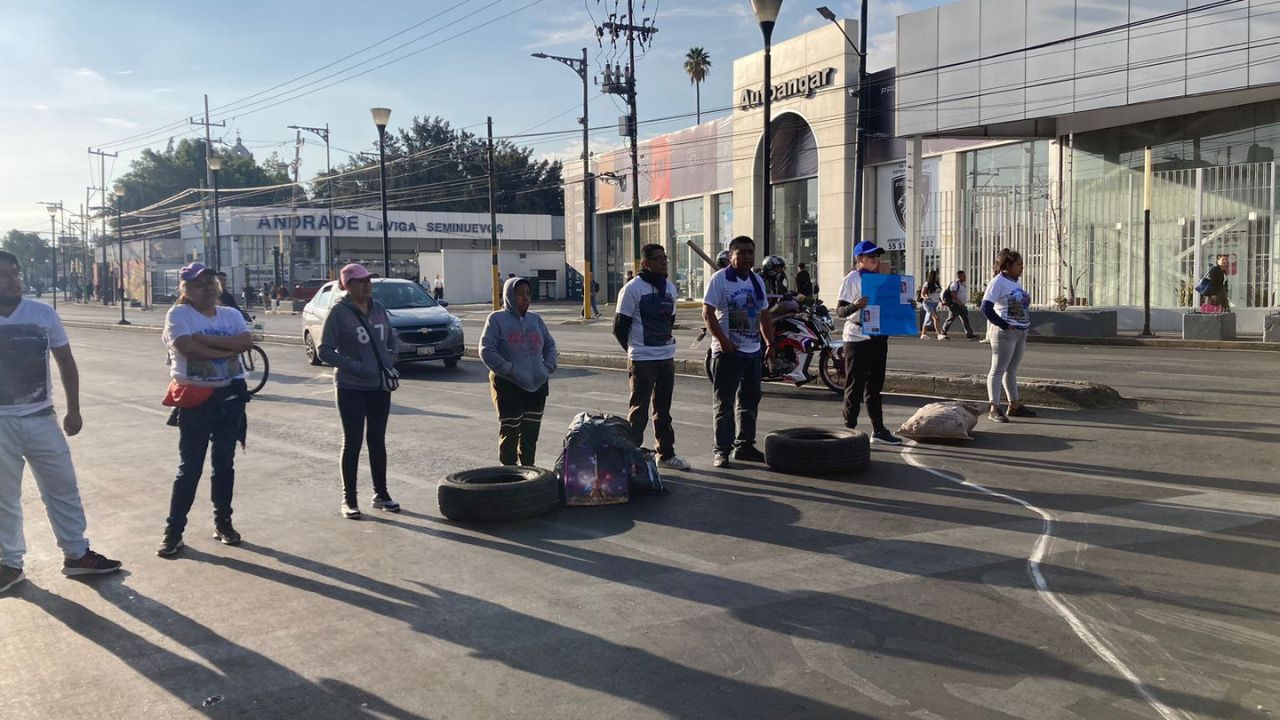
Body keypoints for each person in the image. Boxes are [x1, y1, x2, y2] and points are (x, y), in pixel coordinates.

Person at [0, 251, 121, 594]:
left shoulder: (42, 314)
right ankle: (9, 564)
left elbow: (66, 362)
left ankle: (76, 554)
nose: (12, 280)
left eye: (14, 273)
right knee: (4, 497)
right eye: (3, 275)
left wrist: (74, 409)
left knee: (63, 487)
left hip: (41, 417)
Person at [157, 262, 254, 557]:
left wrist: (206, 340)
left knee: (224, 464)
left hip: (230, 398)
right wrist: (227, 350)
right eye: (198, 285)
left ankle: (223, 523)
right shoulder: (179, 314)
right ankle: (173, 532)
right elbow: (188, 348)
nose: (207, 288)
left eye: (210, 282)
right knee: (190, 468)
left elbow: (245, 342)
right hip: (196, 401)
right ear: (186, 290)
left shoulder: (230, 314)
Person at [318, 263, 401, 520]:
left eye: (369, 280)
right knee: (352, 441)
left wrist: (391, 357)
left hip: (379, 386)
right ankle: (349, 499)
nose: (367, 285)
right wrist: (356, 367)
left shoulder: (379, 309)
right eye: (361, 281)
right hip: (350, 387)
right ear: (347, 285)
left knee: (377, 439)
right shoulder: (339, 313)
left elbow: (391, 337)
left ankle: (381, 494)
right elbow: (324, 350)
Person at [614, 244, 690, 471]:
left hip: (666, 356)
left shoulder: (670, 288)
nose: (663, 262)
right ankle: (631, 457)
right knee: (639, 410)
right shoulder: (632, 289)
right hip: (642, 359)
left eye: (665, 257)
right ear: (645, 263)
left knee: (663, 410)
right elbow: (619, 327)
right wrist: (635, 350)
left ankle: (665, 454)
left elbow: (670, 320)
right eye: (657, 258)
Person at [702, 236, 774, 468]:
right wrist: (723, 341)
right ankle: (722, 450)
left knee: (749, 401)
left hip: (753, 352)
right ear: (731, 255)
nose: (746, 257)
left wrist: (769, 343)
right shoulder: (720, 279)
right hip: (728, 354)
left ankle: (744, 446)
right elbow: (707, 313)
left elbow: (764, 314)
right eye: (741, 252)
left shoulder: (756, 280)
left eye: (750, 252)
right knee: (724, 403)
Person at [480, 277, 558, 466]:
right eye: (520, 294)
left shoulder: (536, 320)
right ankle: (508, 475)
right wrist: (509, 369)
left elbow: (550, 345)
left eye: (528, 294)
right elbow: (486, 350)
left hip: (537, 387)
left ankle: (529, 473)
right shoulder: (496, 320)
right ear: (509, 295)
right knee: (510, 435)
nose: (525, 298)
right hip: (509, 386)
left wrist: (547, 366)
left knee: (530, 437)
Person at [835, 241, 903, 445]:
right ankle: (849, 431)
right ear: (859, 259)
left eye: (877, 255)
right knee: (854, 387)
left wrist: (905, 304)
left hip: (878, 336)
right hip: (857, 338)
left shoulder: (881, 279)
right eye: (870, 255)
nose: (875, 259)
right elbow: (840, 311)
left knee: (875, 387)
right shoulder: (852, 278)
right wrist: (855, 306)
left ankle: (878, 430)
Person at [982, 248, 1035, 423]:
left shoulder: (1015, 283)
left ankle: (1014, 405)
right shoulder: (998, 282)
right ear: (1007, 265)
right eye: (1019, 264)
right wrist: (1004, 324)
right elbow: (986, 307)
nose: (1022, 267)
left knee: (1011, 370)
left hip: (1020, 331)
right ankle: (994, 408)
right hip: (1005, 333)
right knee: (998, 370)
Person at [941, 270, 978, 340]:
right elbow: (953, 294)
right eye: (963, 276)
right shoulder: (955, 284)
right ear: (959, 277)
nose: (965, 277)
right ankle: (943, 333)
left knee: (965, 319)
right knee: (950, 319)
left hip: (961, 305)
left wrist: (962, 304)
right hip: (955, 305)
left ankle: (969, 334)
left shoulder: (962, 285)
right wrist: (959, 302)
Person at [919, 269, 943, 340]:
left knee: (928, 319)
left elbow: (937, 295)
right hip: (928, 303)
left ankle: (923, 334)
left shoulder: (937, 284)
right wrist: (925, 297)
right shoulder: (927, 284)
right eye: (936, 275)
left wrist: (942, 302)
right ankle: (939, 334)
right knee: (936, 318)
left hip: (935, 304)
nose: (938, 276)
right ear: (933, 276)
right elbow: (922, 294)